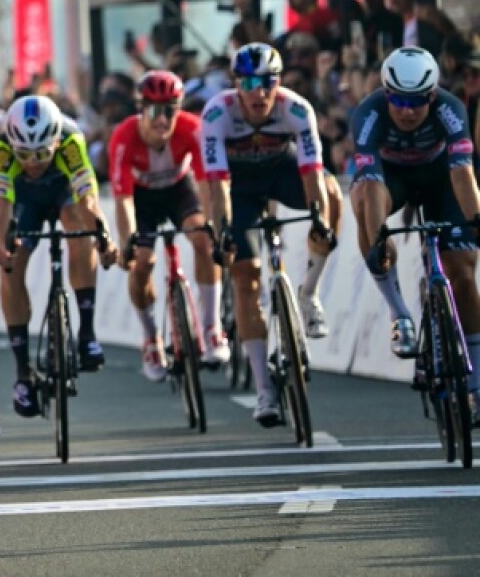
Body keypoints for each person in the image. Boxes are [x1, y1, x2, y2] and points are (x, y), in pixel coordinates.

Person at [200, 43, 340, 428]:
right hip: (239, 188)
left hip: (283, 172)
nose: (259, 92)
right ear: (235, 84)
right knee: (246, 277)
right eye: (249, 83)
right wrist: (223, 232)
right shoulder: (216, 114)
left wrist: (319, 221)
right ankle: (265, 389)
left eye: (267, 82)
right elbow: (217, 186)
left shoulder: (296, 109)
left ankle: (309, 293)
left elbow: (312, 171)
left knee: (330, 193)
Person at [350, 47, 480, 377]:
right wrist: (380, 237)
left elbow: (463, 173)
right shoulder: (369, 113)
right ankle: (400, 315)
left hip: (441, 176)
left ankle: (477, 377)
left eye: (418, 100)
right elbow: (371, 178)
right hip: (391, 178)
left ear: (433, 95)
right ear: (386, 92)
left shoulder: (450, 108)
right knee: (364, 204)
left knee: (463, 274)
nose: (408, 111)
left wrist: (476, 222)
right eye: (400, 101)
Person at [0, 94, 118, 419]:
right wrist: (3, 247)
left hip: (62, 192)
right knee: (11, 267)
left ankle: (87, 333)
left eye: (42, 153)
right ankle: (23, 372)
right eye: (25, 154)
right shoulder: (2, 150)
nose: (33, 162)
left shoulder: (72, 141)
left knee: (80, 231)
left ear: (56, 140)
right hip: (25, 200)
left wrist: (103, 237)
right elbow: (2, 207)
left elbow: (89, 200)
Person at [110, 71, 225, 382]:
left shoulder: (192, 129)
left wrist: (213, 227)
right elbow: (123, 202)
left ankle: (212, 327)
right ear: (141, 109)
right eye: (154, 111)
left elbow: (206, 184)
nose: (163, 120)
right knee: (142, 263)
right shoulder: (124, 136)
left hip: (179, 190)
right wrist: (127, 242)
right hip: (142, 198)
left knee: (203, 240)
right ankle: (150, 339)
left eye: (170, 110)